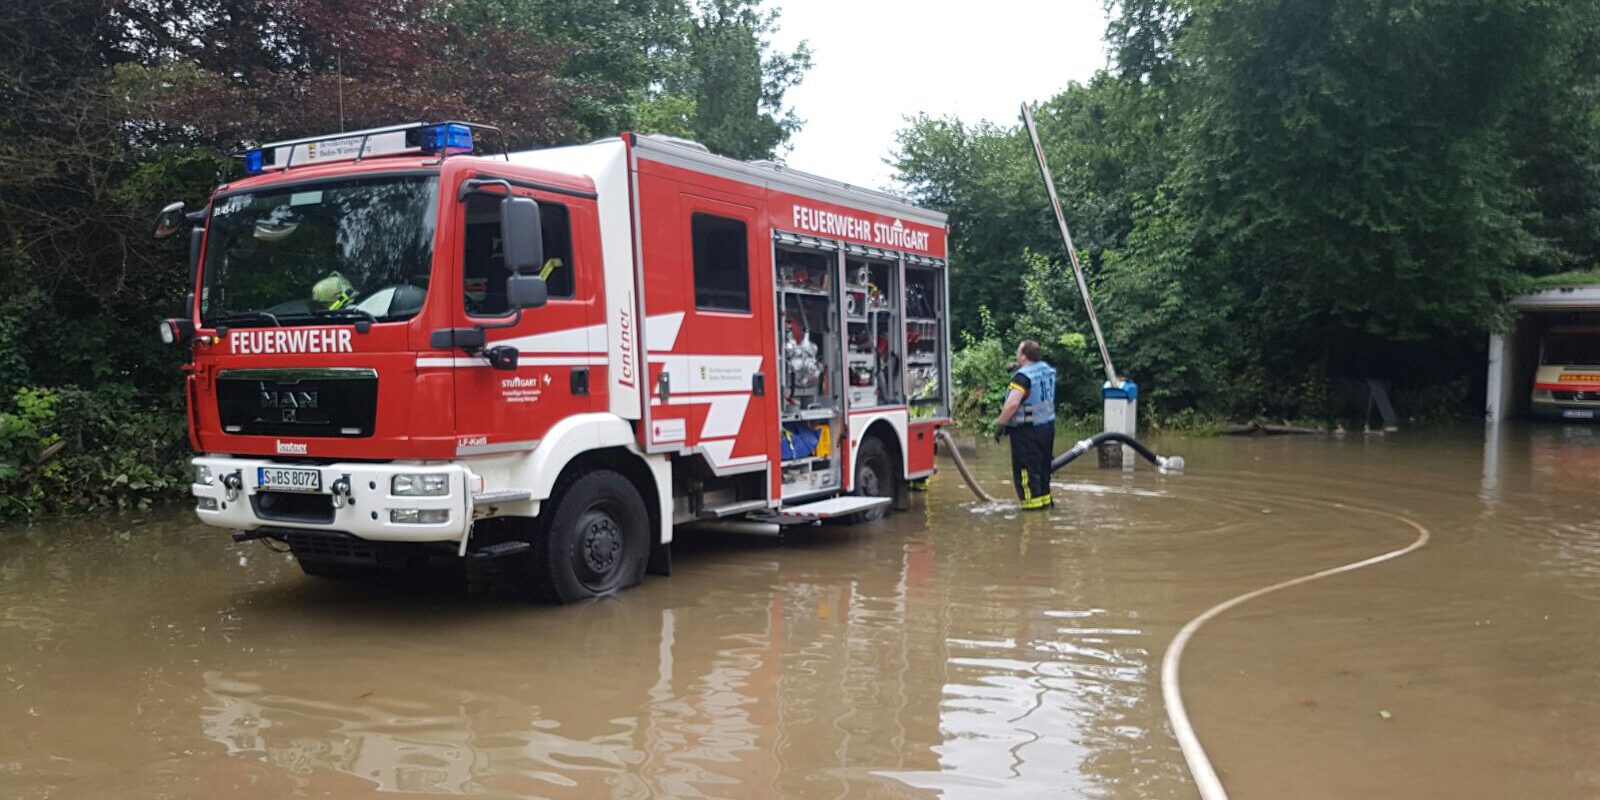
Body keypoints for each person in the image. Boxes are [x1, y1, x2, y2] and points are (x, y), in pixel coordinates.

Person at [995, 339, 1056, 510]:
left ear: (1023, 355)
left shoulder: (1022, 378)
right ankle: (1045, 506)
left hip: (1027, 432)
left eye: (1018, 352)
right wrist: (1017, 367)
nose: (1016, 354)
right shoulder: (1045, 369)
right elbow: (1034, 374)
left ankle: (1033, 515)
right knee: (1043, 471)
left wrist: (1000, 425)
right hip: (1047, 428)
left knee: (1026, 475)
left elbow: (1013, 404)